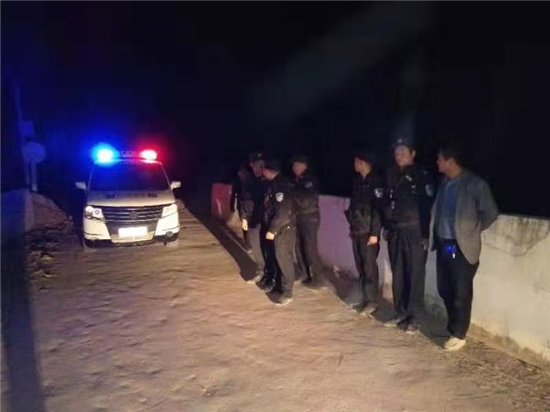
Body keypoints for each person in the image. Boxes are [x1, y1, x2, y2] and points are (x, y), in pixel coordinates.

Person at [433, 141, 498, 351]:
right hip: (446, 245)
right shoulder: (445, 183)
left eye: (439, 159)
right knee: (445, 288)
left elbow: (490, 213)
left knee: (460, 291)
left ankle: (459, 334)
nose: (437, 162)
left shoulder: (474, 184)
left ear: (450, 161)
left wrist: (471, 231)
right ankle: (453, 328)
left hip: (461, 248)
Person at [383, 137, 435, 333]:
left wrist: (425, 235)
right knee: (398, 273)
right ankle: (400, 312)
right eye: (397, 152)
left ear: (413, 153)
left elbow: (425, 207)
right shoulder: (392, 175)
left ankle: (414, 317)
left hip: (414, 232)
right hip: (396, 231)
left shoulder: (422, 176)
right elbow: (388, 204)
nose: (399, 156)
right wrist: (387, 226)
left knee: (414, 274)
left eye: (403, 152)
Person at [346, 149, 384, 315]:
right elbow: (354, 206)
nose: (354, 164)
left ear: (362, 162)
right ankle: (365, 298)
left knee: (369, 267)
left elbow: (378, 209)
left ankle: (372, 301)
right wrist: (352, 225)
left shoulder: (376, 182)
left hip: (368, 232)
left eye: (356, 161)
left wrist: (375, 233)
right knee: (361, 266)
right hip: (357, 230)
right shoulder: (358, 182)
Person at [263, 158, 296, 306]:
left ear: (268, 170)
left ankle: (288, 292)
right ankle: (279, 287)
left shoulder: (281, 185)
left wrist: (273, 229)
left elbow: (283, 211)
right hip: (279, 228)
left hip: (284, 228)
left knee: (284, 259)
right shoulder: (275, 184)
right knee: (277, 257)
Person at [291, 155, 325, 289]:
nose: (293, 168)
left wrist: (293, 194)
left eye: (295, 165)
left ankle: (318, 278)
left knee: (310, 248)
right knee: (298, 246)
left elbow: (306, 198)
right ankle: (304, 273)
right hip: (299, 216)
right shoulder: (298, 180)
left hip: (309, 216)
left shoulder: (309, 180)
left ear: (302, 165)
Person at [239, 152, 268, 283]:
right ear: (251, 165)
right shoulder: (249, 180)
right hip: (252, 218)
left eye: (261, 164)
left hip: (265, 219)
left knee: (268, 248)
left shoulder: (268, 181)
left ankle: (271, 274)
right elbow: (244, 199)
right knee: (256, 246)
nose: (259, 167)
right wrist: (244, 217)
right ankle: (261, 271)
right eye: (256, 164)